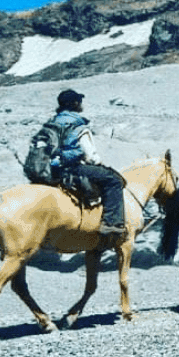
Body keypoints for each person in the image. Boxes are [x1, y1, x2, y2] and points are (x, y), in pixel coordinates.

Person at [44, 89, 127, 242]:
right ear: (75, 104)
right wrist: (100, 164)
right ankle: (112, 223)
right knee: (114, 180)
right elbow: (91, 156)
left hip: (53, 169)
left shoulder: (52, 122)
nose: (81, 104)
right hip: (73, 167)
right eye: (79, 102)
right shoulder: (78, 125)